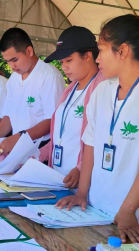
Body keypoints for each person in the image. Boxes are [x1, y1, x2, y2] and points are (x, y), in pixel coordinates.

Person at [56, 10, 139, 243]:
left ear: (122, 51)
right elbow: (90, 144)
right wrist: (82, 193)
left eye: (102, 50)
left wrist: (128, 209)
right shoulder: (103, 90)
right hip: (96, 210)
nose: (97, 58)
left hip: (135, 220)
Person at [38, 26, 105, 189]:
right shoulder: (70, 89)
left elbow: (102, 139)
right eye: (61, 62)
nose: (64, 67)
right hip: (58, 179)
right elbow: (61, 135)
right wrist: (38, 155)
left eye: (68, 60)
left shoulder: (102, 88)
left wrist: (81, 168)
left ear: (88, 56)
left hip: (83, 184)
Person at [0, 28, 65, 154]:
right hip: (17, 146)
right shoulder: (13, 79)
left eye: (15, 60)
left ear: (29, 51)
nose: (12, 66)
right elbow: (8, 114)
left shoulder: (49, 76)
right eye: (8, 61)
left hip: (40, 148)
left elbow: (51, 120)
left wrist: (19, 137)